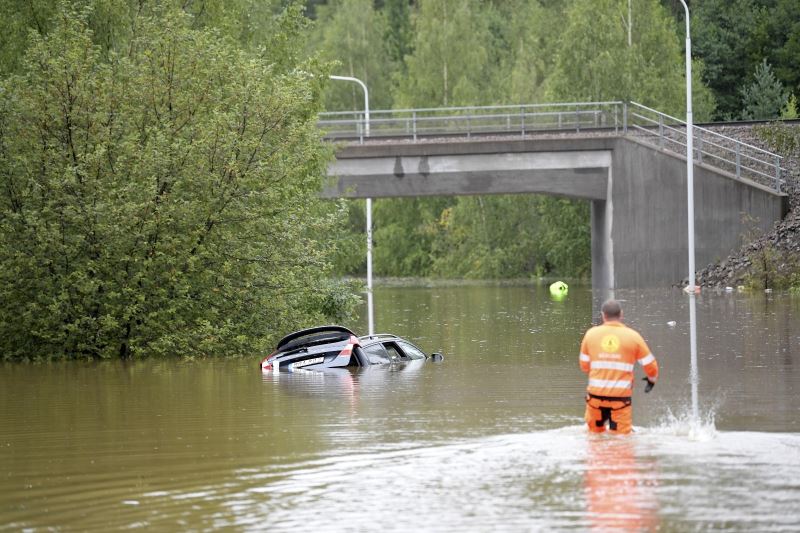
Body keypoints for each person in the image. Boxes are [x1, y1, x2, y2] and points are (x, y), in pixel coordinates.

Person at [579, 299, 659, 434]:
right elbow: (650, 365)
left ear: (603, 315)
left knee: (594, 435)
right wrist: (651, 379)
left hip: (595, 398)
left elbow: (584, 366)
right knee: (621, 438)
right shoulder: (633, 336)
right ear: (621, 314)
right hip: (620, 400)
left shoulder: (591, 334)